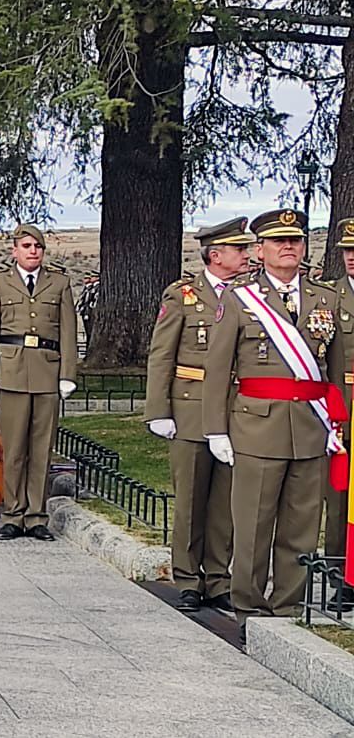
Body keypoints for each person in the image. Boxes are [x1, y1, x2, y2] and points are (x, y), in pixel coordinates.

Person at [203, 209, 344, 639]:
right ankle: (247, 605)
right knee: (253, 524)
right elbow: (218, 368)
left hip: (310, 426)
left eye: (297, 240)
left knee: (301, 525)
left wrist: (338, 425)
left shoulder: (325, 299)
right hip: (256, 427)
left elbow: (334, 372)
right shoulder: (240, 299)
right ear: (259, 250)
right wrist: (216, 429)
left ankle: (287, 607)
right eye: (279, 241)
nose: (290, 247)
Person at [143, 218, 250, 614]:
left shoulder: (248, 296)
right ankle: (188, 578)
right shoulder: (183, 296)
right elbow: (162, 355)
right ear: (215, 254)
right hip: (189, 409)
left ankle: (219, 578)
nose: (246, 256)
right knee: (190, 498)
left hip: (233, 409)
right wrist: (158, 410)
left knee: (225, 501)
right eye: (239, 250)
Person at [0, 225, 78, 541]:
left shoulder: (59, 283)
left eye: (38, 246)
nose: (32, 251)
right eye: (26, 245)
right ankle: (13, 514)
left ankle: (36, 516)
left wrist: (67, 374)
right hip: (11, 372)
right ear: (14, 250)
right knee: (14, 448)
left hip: (47, 371)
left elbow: (68, 331)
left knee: (41, 448)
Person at [326, 217, 354, 608]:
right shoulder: (330, 297)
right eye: (347, 252)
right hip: (344, 402)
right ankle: (339, 574)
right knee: (340, 492)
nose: (352, 258)